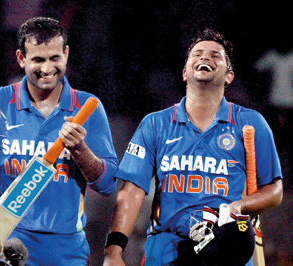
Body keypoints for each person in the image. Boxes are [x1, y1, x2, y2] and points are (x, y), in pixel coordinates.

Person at [103, 29, 283, 266]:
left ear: (229, 76)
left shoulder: (251, 123)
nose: (205, 58)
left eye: (215, 56)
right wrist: (113, 252)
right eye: (197, 54)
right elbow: (132, 191)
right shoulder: (154, 124)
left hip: (227, 248)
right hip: (167, 250)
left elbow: (274, 190)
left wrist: (239, 206)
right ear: (184, 73)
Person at [0, 17, 118, 265]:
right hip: (4, 241)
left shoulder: (88, 106)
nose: (47, 69)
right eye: (38, 59)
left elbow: (107, 184)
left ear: (67, 54)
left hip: (66, 252)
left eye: (54, 58)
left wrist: (81, 150)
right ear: (21, 58)